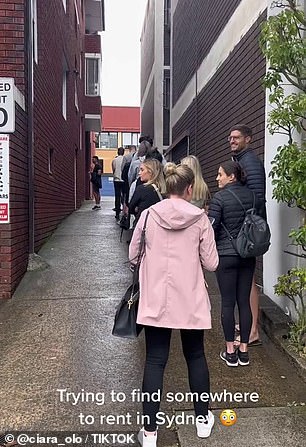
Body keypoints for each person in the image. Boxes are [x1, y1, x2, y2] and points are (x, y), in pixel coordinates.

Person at [129, 164, 219, 446]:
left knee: (155, 361)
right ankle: (202, 421)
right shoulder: (200, 219)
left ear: (167, 187)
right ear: (190, 189)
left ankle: (151, 433)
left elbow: (134, 255)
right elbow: (212, 263)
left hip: (156, 297)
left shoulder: (148, 215)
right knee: (195, 356)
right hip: (190, 298)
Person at [208, 161, 262, 367]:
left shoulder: (220, 198)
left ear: (232, 177)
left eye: (220, 174)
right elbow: (258, 223)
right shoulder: (253, 197)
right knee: (244, 302)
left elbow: (211, 229)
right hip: (247, 255)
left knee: (228, 302)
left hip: (226, 255)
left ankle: (230, 351)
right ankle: (244, 351)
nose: (217, 178)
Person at [229, 124, 266, 346]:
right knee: (245, 279)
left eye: (236, 138)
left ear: (248, 139)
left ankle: (252, 331)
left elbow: (256, 197)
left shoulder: (249, 162)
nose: (232, 141)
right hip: (246, 229)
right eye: (230, 138)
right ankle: (247, 323)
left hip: (248, 231)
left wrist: (245, 225)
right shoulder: (242, 160)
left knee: (249, 280)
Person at [128, 159, 165, 226]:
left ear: (150, 172)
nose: (139, 173)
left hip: (143, 225)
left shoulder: (142, 189)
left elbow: (131, 208)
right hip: (159, 226)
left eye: (142, 170)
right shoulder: (165, 189)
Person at [112, 147, 125, 220]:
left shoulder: (114, 160)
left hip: (116, 180)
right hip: (123, 180)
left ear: (117, 152)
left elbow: (113, 169)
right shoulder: (125, 159)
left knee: (117, 196)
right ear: (123, 152)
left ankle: (117, 212)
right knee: (124, 195)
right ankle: (124, 211)